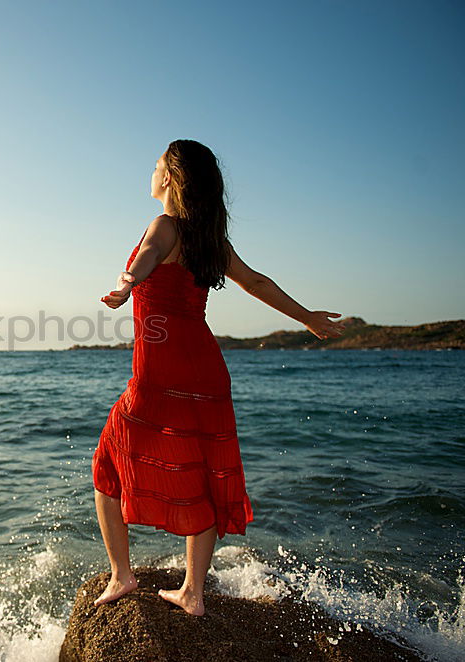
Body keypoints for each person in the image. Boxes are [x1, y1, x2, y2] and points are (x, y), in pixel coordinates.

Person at [92, 139, 345, 616]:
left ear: (170, 178)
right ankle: (193, 591)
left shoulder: (165, 226)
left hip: (159, 373)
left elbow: (147, 253)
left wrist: (128, 284)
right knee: (203, 473)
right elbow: (256, 282)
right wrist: (306, 316)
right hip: (206, 370)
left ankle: (123, 575)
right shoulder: (209, 238)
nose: (151, 172)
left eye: (156, 165)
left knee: (107, 465)